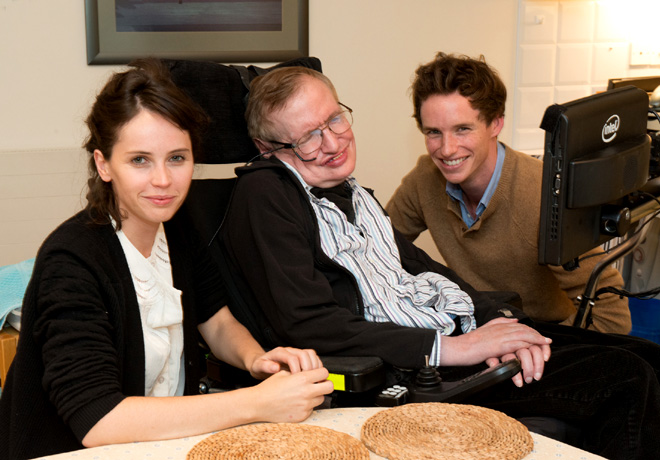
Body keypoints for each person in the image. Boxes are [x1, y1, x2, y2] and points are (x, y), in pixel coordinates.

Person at [220, 65, 660, 460]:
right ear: (267, 147)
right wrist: (456, 348)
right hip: (416, 367)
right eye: (307, 138)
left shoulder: (349, 193)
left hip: (455, 335)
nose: (333, 142)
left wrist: (502, 324)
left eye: (334, 119)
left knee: (649, 357)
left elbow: (420, 266)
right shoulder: (266, 195)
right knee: (628, 378)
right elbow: (307, 322)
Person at [0, 59, 333, 460]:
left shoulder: (178, 227)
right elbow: (98, 419)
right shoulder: (71, 259)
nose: (163, 180)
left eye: (177, 158)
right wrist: (257, 403)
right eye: (140, 160)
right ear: (104, 164)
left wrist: (257, 359)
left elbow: (217, 322)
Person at [386, 52, 630, 334]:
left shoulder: (544, 195)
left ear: (496, 123)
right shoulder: (425, 179)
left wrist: (532, 347)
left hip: (545, 333)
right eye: (433, 133)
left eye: (462, 129)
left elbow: (611, 312)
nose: (447, 149)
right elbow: (375, 251)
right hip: (478, 330)